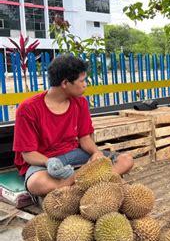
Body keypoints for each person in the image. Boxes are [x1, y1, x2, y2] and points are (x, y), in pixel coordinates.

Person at [13, 55, 134, 197]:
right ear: (65, 83)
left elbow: (84, 138)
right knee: (36, 184)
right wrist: (48, 162)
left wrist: (96, 153)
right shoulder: (28, 109)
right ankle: (88, 183)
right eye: (82, 81)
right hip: (43, 161)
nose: (85, 84)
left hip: (73, 154)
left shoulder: (80, 103)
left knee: (126, 160)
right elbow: (27, 154)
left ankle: (78, 184)